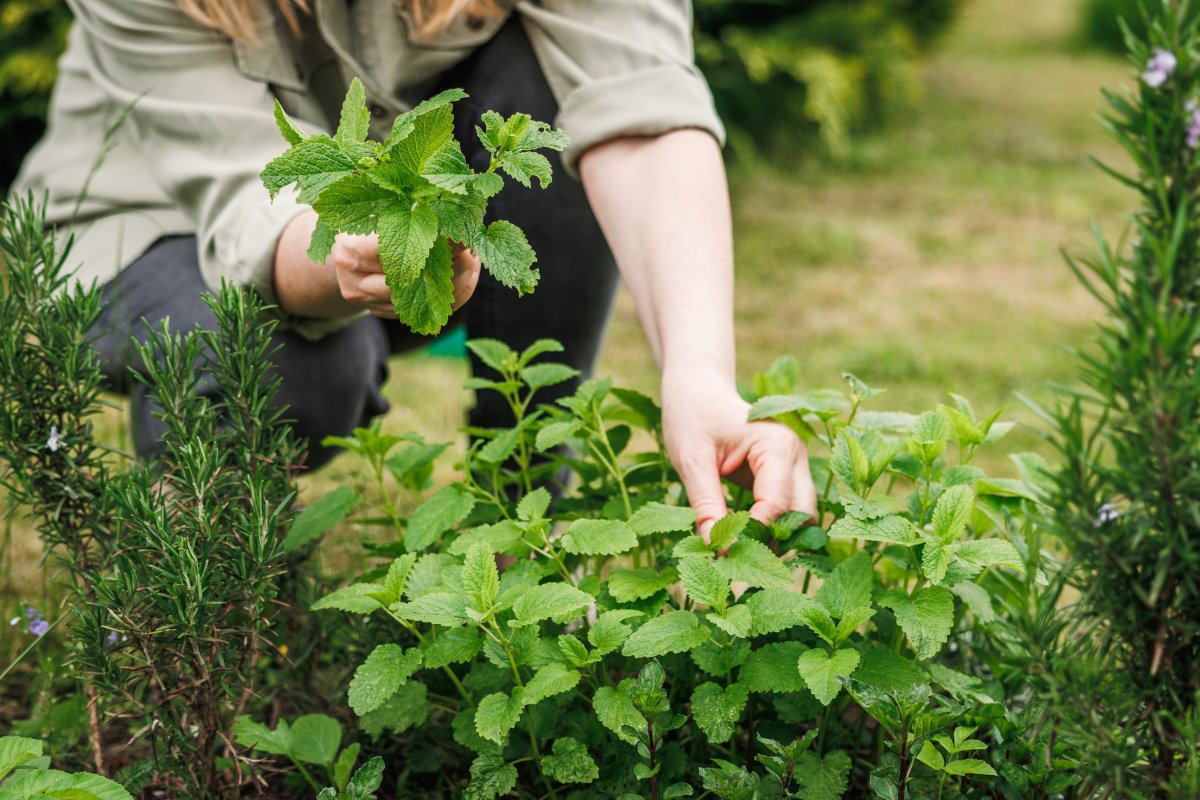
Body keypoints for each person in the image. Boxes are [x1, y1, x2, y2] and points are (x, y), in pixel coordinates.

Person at [12, 0, 816, 536]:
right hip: (142, 227)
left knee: (548, 112)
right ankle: (200, 571)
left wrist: (702, 376)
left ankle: (525, 516)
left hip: (402, 226)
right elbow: (248, 205)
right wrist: (356, 259)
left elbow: (636, 103)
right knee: (288, 372)